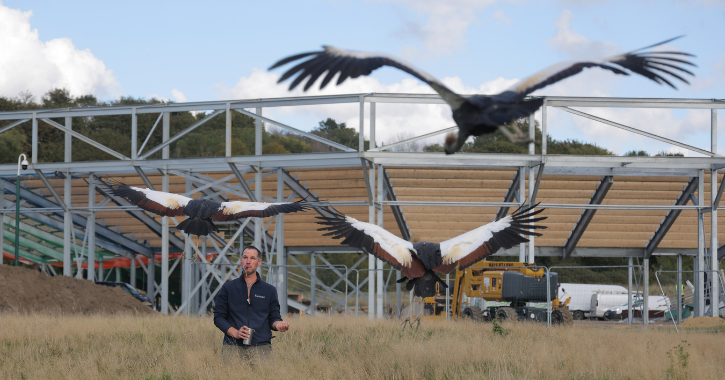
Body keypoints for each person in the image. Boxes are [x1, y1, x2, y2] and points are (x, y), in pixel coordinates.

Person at [214, 246, 290, 361]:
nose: (248, 261)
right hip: (232, 347)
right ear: (241, 261)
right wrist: (235, 333)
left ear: (259, 262)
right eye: (245, 257)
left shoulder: (269, 290)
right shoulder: (228, 288)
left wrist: (278, 324)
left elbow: (274, 318)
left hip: (262, 348)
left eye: (252, 258)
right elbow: (218, 317)